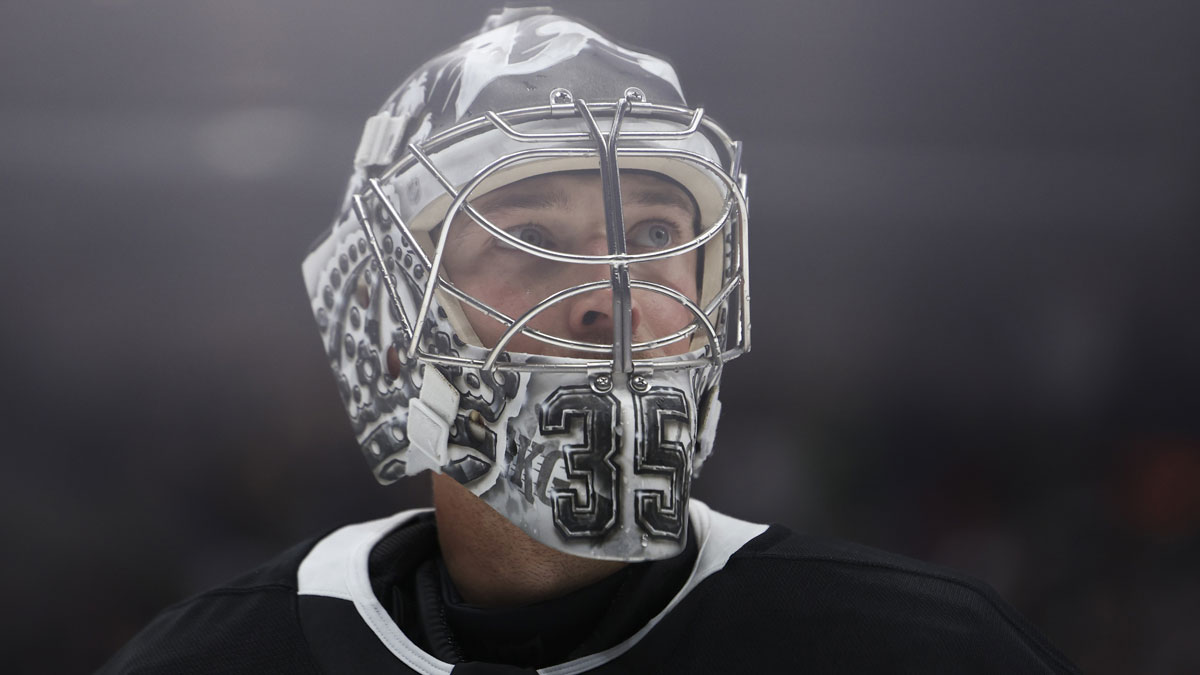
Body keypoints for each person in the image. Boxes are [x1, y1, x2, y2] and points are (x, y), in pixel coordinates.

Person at [100, 8, 1079, 674]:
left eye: (656, 235)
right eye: (531, 236)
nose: (611, 296)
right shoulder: (211, 659)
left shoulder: (926, 652)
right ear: (393, 320)